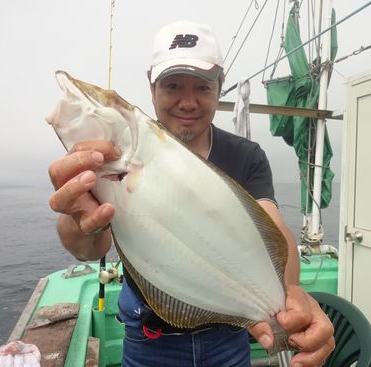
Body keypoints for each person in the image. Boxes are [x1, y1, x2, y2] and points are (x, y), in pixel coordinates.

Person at [48, 20, 335, 367]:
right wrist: (77, 222)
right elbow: (92, 245)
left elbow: (274, 228)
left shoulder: (246, 156)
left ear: (219, 88)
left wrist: (290, 296)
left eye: (202, 87)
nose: (188, 102)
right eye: (172, 86)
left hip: (228, 341)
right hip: (148, 342)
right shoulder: (106, 162)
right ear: (152, 88)